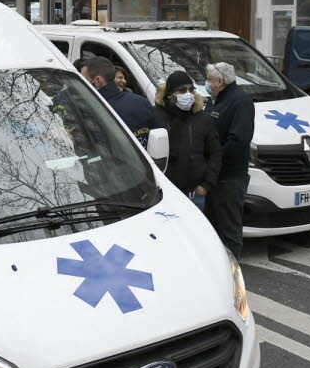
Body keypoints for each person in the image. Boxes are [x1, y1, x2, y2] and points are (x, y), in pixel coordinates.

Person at [204, 61, 254, 258]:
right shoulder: (216, 98)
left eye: (209, 80)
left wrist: (215, 160)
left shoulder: (240, 101)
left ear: (220, 81)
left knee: (229, 230)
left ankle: (232, 274)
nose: (206, 83)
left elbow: (238, 141)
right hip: (214, 175)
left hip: (229, 177)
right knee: (213, 226)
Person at [154, 70, 221, 211]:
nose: (188, 94)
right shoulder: (156, 116)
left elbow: (215, 153)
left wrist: (205, 185)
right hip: (164, 194)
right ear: (170, 94)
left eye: (191, 90)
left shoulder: (203, 118)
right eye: (182, 90)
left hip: (194, 195)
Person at [78, 56, 158, 144]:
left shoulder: (95, 110)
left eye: (84, 80)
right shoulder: (142, 102)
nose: (81, 83)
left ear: (97, 81)